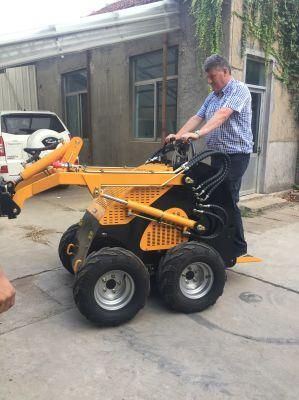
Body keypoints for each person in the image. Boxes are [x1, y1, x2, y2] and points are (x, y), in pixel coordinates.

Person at [165, 54, 253, 258]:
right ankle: (215, 239)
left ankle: (237, 247)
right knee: (208, 196)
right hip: (218, 155)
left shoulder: (239, 90)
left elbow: (222, 115)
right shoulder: (213, 95)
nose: (209, 80)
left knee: (227, 198)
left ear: (224, 71)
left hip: (236, 155)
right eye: (208, 77)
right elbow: (198, 116)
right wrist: (177, 136)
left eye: (212, 76)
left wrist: (197, 134)